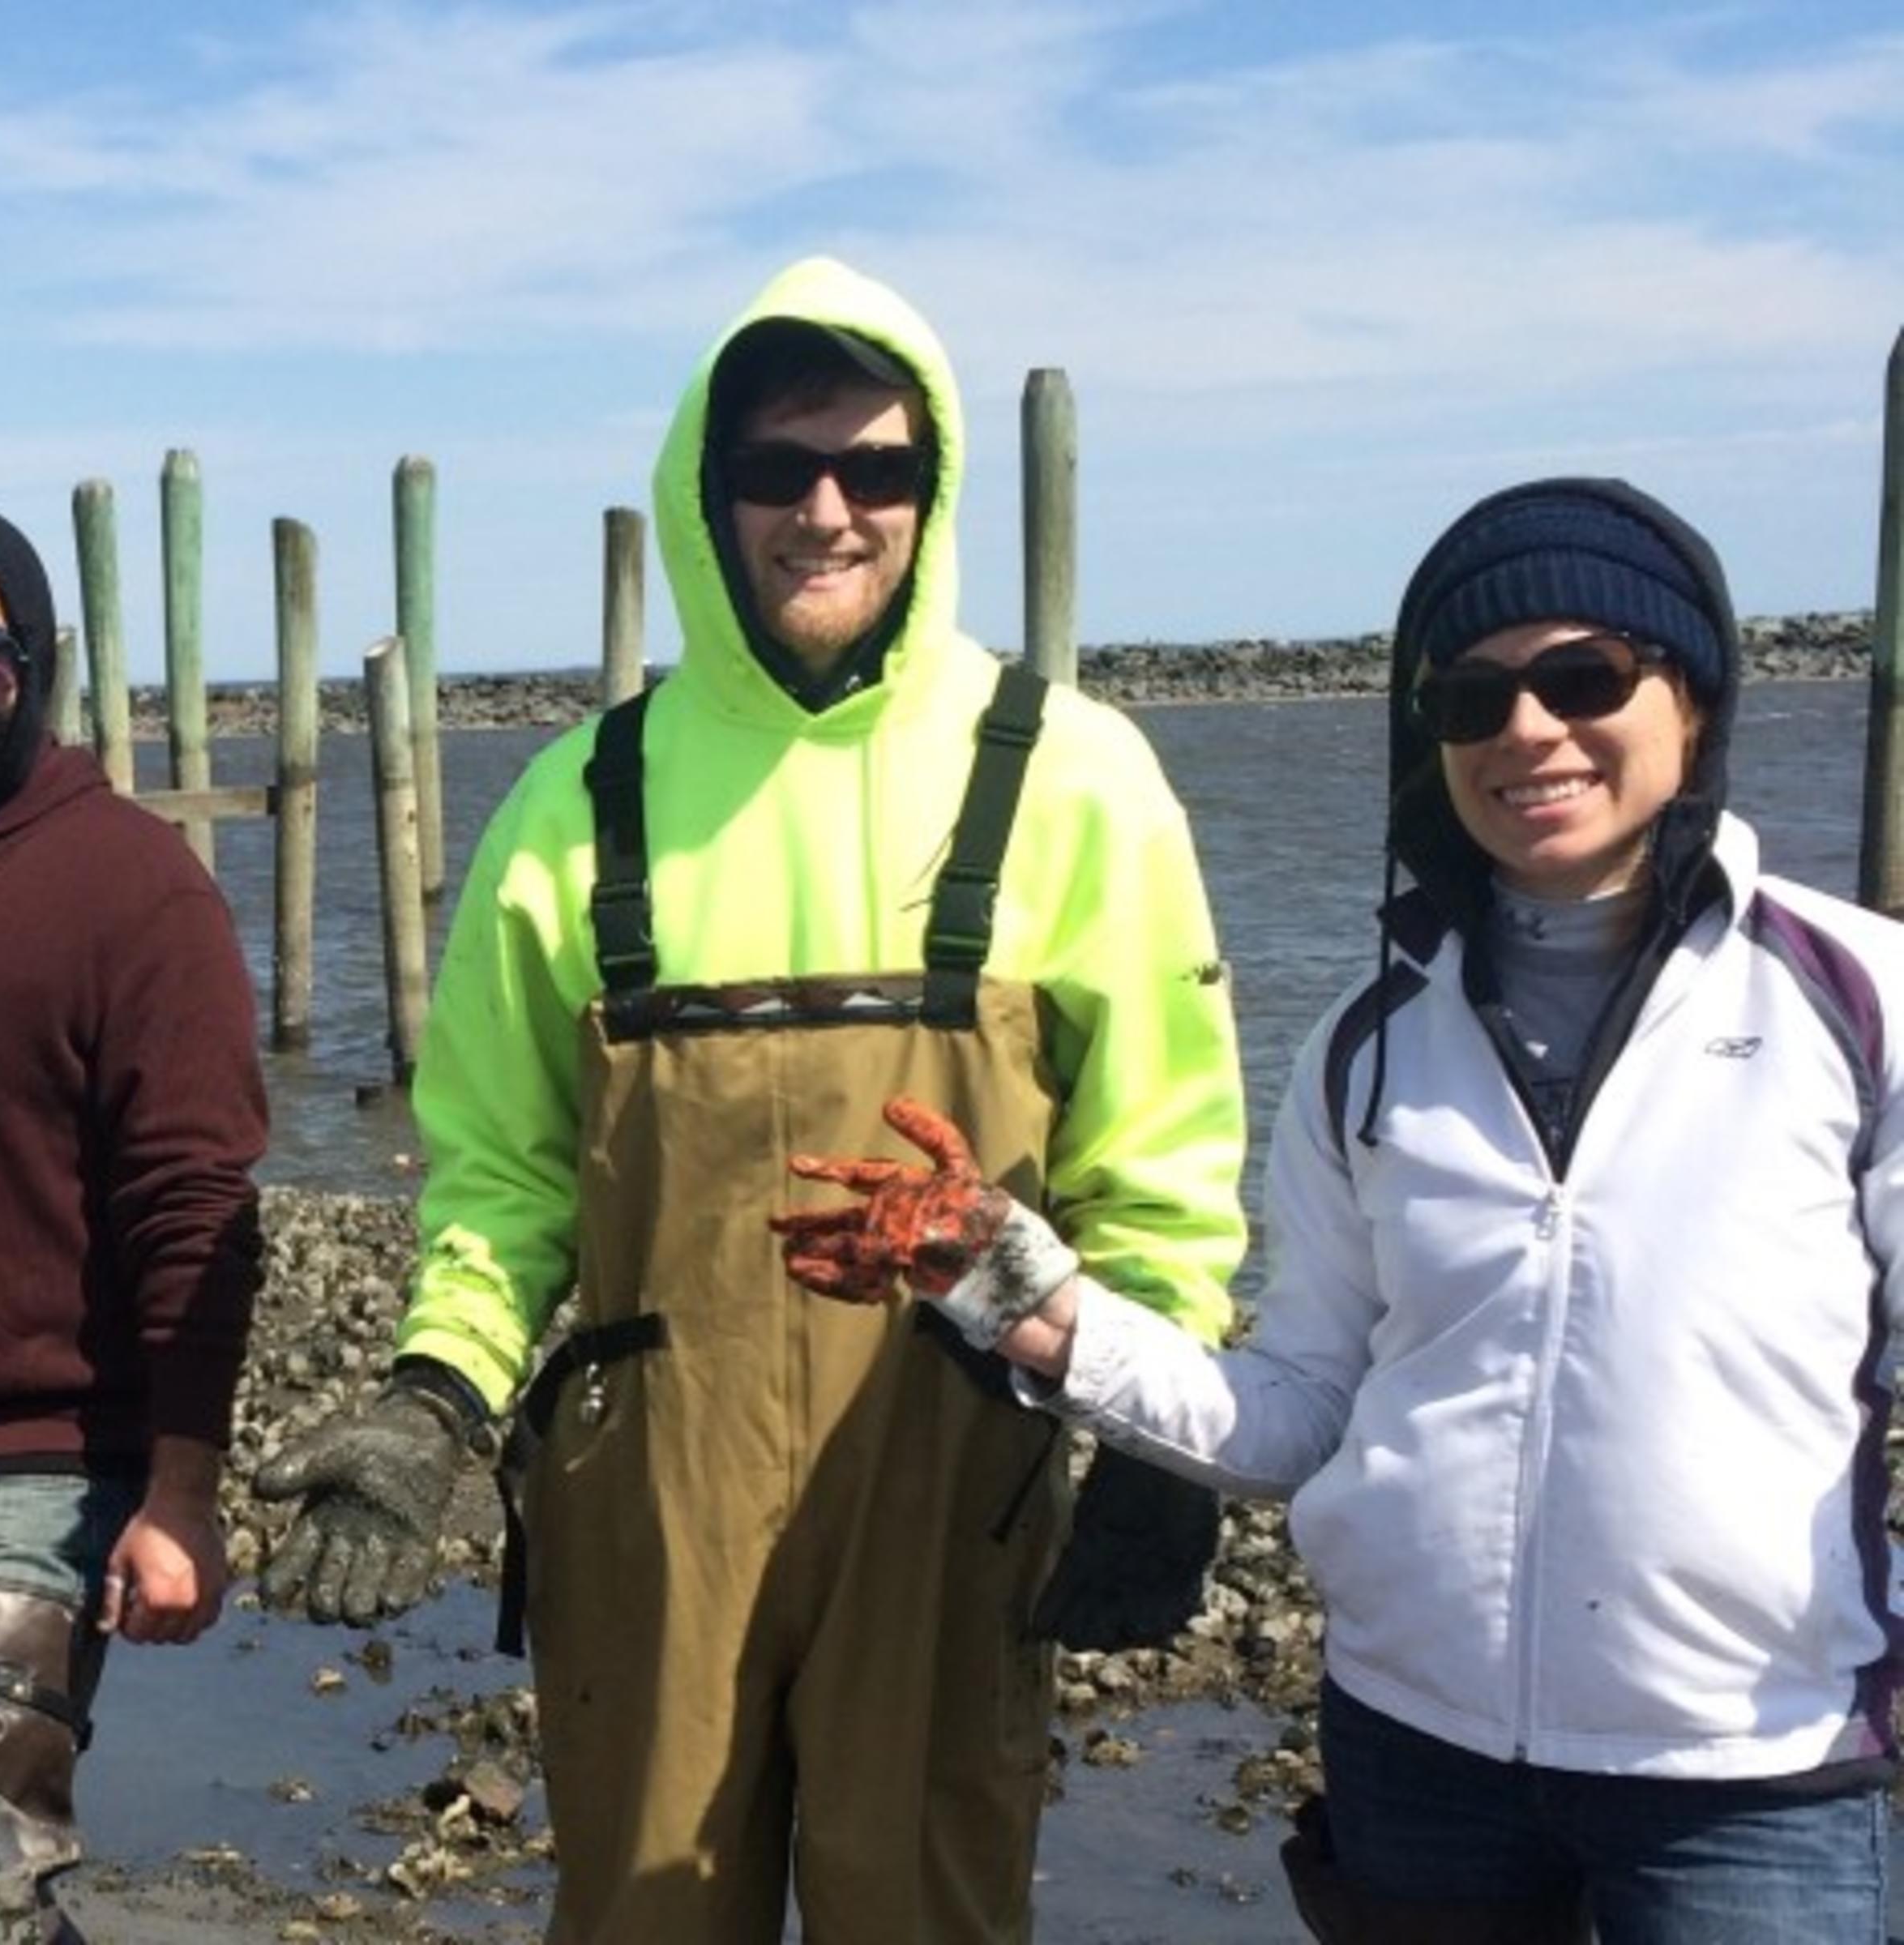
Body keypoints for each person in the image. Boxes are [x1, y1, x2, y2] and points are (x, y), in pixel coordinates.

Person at [253, 255, 1247, 1942]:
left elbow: (1161, 1165)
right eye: (779, 469)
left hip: (959, 1482)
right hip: (648, 1501)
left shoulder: (1077, 779)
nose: (828, 511)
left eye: (877, 469)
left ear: (933, 496)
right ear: (705, 496)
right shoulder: (578, 802)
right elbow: (500, 1183)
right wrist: (435, 1400)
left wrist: (1162, 1443)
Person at [777, 478, 1904, 1945]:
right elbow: (1301, 1409)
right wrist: (1025, 1299)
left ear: (1689, 701)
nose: (1529, 733)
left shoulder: (1858, 1001)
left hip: (1755, 1778)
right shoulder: (1366, 1049)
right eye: (1472, 699)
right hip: (1415, 1749)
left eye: (1584, 679)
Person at [0, 498, 267, 1943]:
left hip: (36, 1462)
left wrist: (182, 1494)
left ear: (33, 670)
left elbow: (197, 1206)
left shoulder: (135, 892)